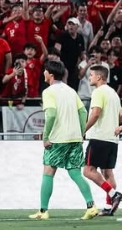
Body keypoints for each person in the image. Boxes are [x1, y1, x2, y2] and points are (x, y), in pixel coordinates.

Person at [28, 59, 97, 220]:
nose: (44, 73)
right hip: (74, 138)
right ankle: (91, 206)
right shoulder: (70, 90)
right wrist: (81, 132)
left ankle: (43, 211)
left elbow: (51, 114)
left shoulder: (48, 92)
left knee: (48, 172)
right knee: (75, 173)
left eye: (45, 70)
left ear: (50, 74)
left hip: (58, 139)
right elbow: (83, 112)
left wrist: (46, 137)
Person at [82, 65, 122, 216]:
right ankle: (108, 207)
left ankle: (114, 194)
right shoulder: (113, 93)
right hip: (112, 139)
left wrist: (83, 130)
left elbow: (96, 113)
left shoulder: (98, 92)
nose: (89, 77)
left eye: (91, 75)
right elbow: (121, 115)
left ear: (99, 77)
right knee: (107, 173)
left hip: (99, 137)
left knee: (88, 171)